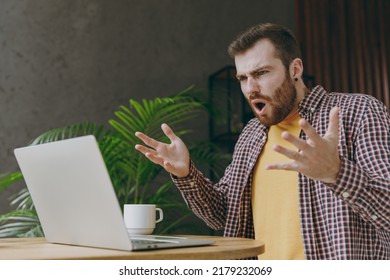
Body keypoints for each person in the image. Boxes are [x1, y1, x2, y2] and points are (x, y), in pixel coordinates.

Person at [135, 23, 390, 260]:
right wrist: (186, 173)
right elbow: (223, 214)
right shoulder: (252, 134)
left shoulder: (356, 112)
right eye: (243, 78)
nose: (251, 88)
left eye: (261, 73)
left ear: (295, 69)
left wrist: (337, 173)